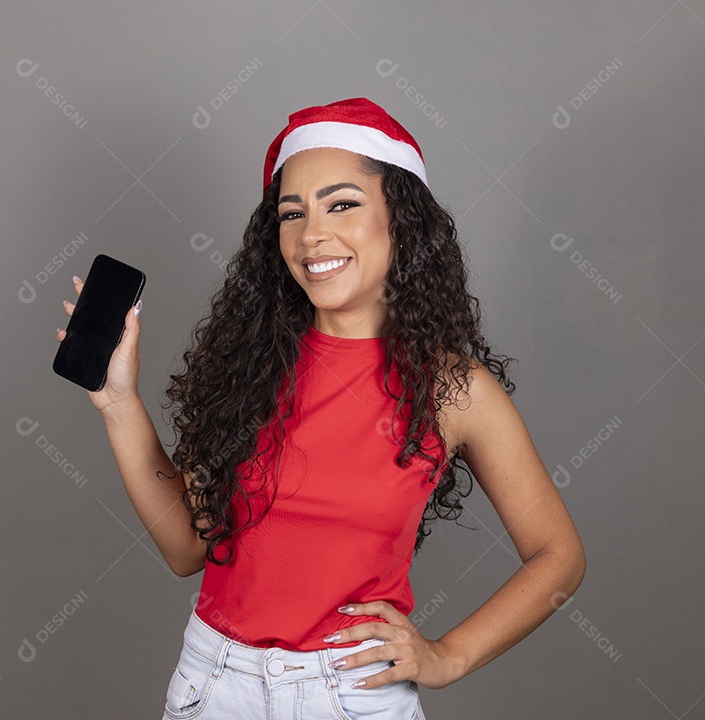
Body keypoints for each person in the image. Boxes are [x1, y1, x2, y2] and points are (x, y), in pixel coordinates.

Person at [56, 97, 586, 719]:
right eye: (292, 212)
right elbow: (185, 549)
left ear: (402, 220)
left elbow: (559, 557)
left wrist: (448, 656)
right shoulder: (244, 366)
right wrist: (118, 404)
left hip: (351, 696)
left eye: (342, 204)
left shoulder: (454, 390)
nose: (312, 234)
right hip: (215, 685)